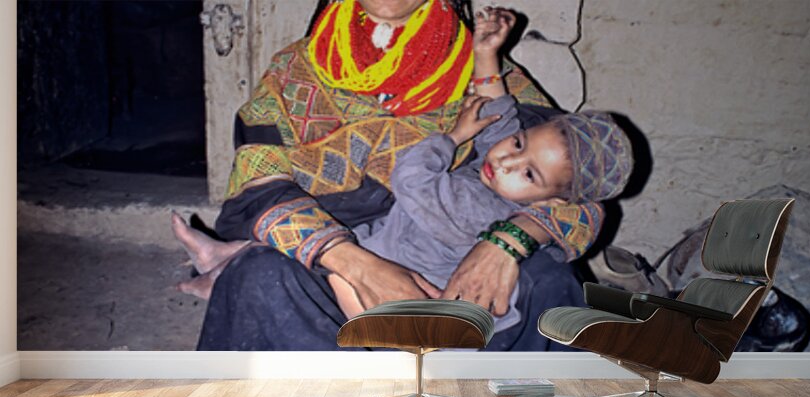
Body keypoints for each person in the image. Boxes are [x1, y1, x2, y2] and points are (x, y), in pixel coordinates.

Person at [173, 8, 633, 337]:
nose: (512, 157)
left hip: (447, 270)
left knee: (549, 282)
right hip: (331, 253)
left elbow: (582, 194)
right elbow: (259, 178)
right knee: (257, 278)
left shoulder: (477, 69)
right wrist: (355, 264)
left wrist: (508, 242)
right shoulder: (295, 72)